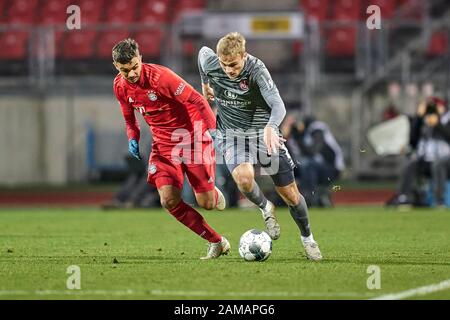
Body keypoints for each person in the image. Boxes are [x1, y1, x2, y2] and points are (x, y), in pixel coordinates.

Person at [198, 32, 322, 261]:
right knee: (244, 180)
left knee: (291, 196)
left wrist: (271, 126)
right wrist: (205, 85)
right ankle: (266, 208)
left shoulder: (256, 70)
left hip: (263, 136)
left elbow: (278, 105)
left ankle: (308, 238)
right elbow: (201, 55)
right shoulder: (211, 60)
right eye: (224, 65)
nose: (229, 70)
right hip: (231, 135)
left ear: (244, 55)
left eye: (233, 64)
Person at [112, 38, 230, 259]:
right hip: (163, 145)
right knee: (168, 200)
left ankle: (212, 193)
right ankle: (216, 241)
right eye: (125, 70)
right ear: (117, 67)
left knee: (207, 203)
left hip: (191, 138)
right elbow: (130, 119)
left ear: (141, 59)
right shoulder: (119, 86)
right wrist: (133, 137)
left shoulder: (162, 77)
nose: (132, 74)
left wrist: (213, 131)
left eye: (135, 67)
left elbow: (197, 100)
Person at [386, 97, 450, 208]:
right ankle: (404, 197)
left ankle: (439, 201)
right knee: (410, 163)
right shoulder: (423, 121)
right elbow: (413, 141)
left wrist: (438, 124)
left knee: (438, 164)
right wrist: (419, 118)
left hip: (445, 160)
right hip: (426, 159)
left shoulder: (446, 119)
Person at [281, 115, 345, 207]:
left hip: (331, 168)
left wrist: (298, 135)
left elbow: (312, 151)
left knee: (308, 165)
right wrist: (285, 136)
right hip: (314, 167)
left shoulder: (317, 128)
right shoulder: (298, 134)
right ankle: (285, 198)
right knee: (287, 167)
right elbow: (291, 156)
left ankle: (309, 197)